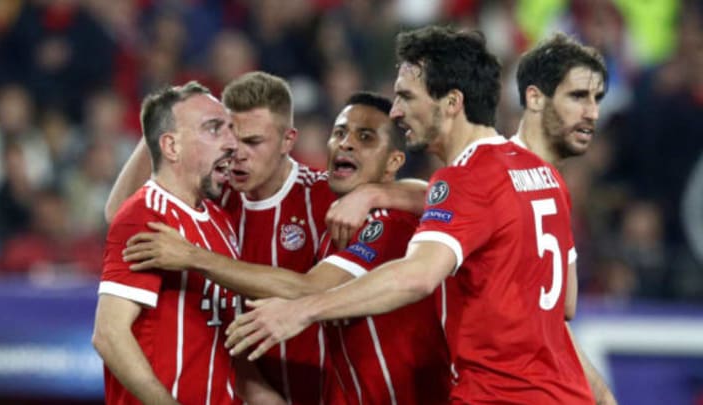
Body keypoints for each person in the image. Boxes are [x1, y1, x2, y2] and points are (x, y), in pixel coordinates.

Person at [224, 26, 595, 404]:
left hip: (499, 395)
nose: (397, 111)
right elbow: (566, 302)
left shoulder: (467, 179)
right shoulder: (540, 173)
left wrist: (301, 312)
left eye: (406, 96)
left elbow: (417, 277)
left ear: (451, 102)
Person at [104, 72, 427, 404]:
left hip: (327, 389)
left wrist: (374, 194)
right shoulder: (215, 200)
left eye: (253, 142)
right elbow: (123, 214)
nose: (237, 152)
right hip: (249, 391)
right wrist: (163, 120)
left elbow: (436, 197)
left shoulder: (326, 194)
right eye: (230, 136)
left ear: (288, 141)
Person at [92, 81, 283, 405]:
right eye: (213, 129)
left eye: (230, 130)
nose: (231, 144)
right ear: (171, 147)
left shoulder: (220, 221)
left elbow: (228, 347)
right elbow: (109, 335)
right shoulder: (146, 215)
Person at [514, 32, 617, 405]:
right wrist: (384, 193)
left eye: (597, 99)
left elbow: (557, 313)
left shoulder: (552, 185)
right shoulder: (495, 168)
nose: (593, 112)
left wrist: (602, 394)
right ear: (535, 97)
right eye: (578, 96)